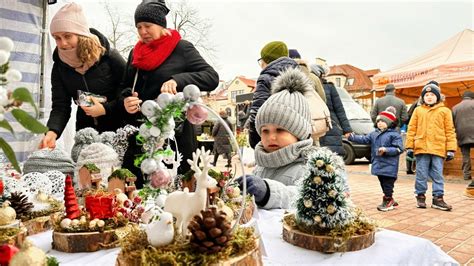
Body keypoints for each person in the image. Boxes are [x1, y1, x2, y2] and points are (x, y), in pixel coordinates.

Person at [120, 0, 219, 188]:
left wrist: (178, 80)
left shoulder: (181, 48)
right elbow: (124, 85)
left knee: (176, 192)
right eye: (139, 27)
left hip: (175, 137)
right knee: (139, 191)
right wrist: (126, 99)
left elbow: (211, 77)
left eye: (147, 26)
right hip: (142, 135)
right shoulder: (136, 53)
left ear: (161, 24)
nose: (142, 32)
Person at [237, 68, 349, 209]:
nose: (271, 137)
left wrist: (268, 192)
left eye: (280, 130)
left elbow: (311, 198)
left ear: (299, 132)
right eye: (265, 130)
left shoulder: (314, 166)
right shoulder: (262, 165)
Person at [40, 2, 126, 149]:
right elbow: (61, 106)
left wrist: (105, 109)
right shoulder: (59, 67)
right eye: (57, 38)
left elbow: (128, 93)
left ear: (81, 35)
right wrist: (52, 132)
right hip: (85, 132)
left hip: (117, 129)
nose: (63, 43)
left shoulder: (110, 56)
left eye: (67, 36)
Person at [406, 83, 457, 211]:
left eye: (432, 95)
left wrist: (451, 149)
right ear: (423, 97)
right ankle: (420, 196)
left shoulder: (445, 111)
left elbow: (449, 130)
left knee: (437, 174)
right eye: (426, 95)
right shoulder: (418, 110)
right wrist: (410, 146)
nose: (429, 97)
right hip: (421, 147)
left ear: (438, 97)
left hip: (438, 148)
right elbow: (411, 129)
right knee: (421, 174)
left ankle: (438, 198)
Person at [349, 107, 403, 211]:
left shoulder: (394, 135)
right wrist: (351, 137)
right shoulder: (374, 134)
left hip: (389, 165)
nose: (380, 123)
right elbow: (363, 139)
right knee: (382, 182)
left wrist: (386, 150)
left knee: (388, 184)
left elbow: (399, 149)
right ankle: (389, 198)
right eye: (378, 121)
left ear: (390, 123)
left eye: (383, 121)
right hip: (378, 164)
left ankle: (388, 200)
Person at [247, 41, 297, 149]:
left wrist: (254, 140)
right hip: (293, 136)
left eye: (261, 60)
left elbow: (257, 111)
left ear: (267, 60)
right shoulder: (299, 75)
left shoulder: (266, 78)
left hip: (272, 138)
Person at [317, 66, 353, 156]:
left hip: (332, 126)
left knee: (332, 158)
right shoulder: (308, 87)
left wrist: (347, 129)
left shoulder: (330, 87)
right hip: (316, 127)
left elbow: (339, 109)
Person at [452, 90, 474, 181]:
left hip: (462, 134)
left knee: (466, 155)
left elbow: (452, 123)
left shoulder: (455, 108)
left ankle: (466, 175)